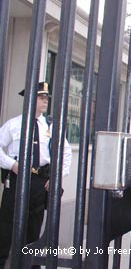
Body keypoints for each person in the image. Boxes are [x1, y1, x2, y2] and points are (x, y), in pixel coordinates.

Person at [0, 82, 72, 268]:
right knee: (7, 226)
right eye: (41, 97)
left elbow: (66, 152)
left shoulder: (50, 126)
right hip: (17, 179)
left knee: (34, 227)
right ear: (30, 100)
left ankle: (31, 264)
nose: (45, 101)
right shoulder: (14, 125)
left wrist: (57, 176)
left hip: (40, 181)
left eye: (45, 98)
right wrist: (11, 164)